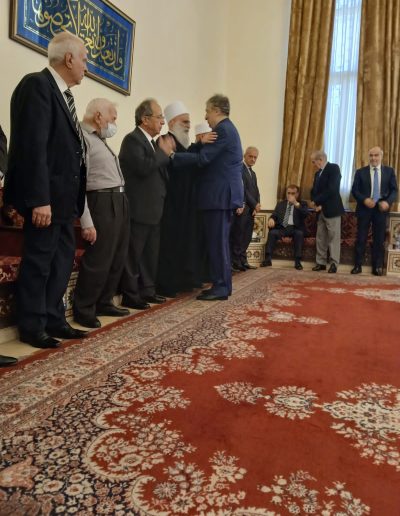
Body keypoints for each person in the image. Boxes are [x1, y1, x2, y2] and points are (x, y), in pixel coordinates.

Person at [4, 32, 88, 349]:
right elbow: (33, 146)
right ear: (68, 58)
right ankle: (32, 325)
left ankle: (54, 319)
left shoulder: (63, 94)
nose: (86, 67)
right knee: (39, 264)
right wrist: (40, 199)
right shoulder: (37, 85)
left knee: (60, 263)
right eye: (84, 59)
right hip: (46, 200)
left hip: (65, 201)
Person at [159, 94, 244, 301]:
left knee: (217, 244)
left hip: (218, 196)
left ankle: (221, 287)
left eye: (207, 112)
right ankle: (221, 284)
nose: (205, 117)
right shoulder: (227, 129)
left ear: (216, 110)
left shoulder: (223, 129)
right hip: (220, 196)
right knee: (218, 243)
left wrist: (172, 156)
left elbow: (204, 159)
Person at [72, 98, 130, 328]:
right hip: (100, 201)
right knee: (100, 257)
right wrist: (86, 220)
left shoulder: (100, 139)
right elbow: (79, 182)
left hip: (118, 200)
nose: (114, 123)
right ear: (98, 116)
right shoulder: (81, 138)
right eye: (112, 118)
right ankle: (84, 308)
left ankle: (104, 301)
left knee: (117, 255)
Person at [119, 98, 169, 309]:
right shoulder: (132, 140)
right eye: (159, 117)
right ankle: (131, 294)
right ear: (145, 119)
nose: (163, 122)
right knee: (133, 255)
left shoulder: (152, 143)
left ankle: (148, 290)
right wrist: (163, 153)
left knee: (150, 255)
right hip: (138, 209)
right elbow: (142, 167)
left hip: (154, 209)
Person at [351, 146, 398, 275]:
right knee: (361, 238)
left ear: (381, 156)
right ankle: (357, 266)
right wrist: (364, 199)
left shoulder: (389, 171)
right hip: (364, 209)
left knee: (379, 239)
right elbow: (354, 190)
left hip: (381, 210)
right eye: (371, 155)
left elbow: (394, 190)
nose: (373, 158)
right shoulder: (360, 172)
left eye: (376, 155)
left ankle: (377, 267)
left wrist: (387, 202)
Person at [310, 150, 344, 273]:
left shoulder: (333, 168)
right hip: (320, 211)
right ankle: (321, 263)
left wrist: (317, 201)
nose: (313, 164)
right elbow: (314, 190)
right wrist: (315, 203)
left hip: (332, 209)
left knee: (333, 238)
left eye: (313, 162)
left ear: (320, 160)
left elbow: (332, 189)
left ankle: (334, 264)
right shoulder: (317, 173)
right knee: (321, 237)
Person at [260, 184, 308, 270]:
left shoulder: (302, 204)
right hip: (282, 228)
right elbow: (274, 215)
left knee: (299, 234)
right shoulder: (280, 204)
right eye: (288, 193)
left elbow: (305, 214)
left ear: (297, 194)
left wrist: (296, 204)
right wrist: (271, 219)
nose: (290, 195)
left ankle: (297, 261)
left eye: (293, 193)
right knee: (272, 233)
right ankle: (268, 259)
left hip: (295, 229)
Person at [230, 146, 261, 271]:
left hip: (251, 210)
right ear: (245, 156)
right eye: (250, 156)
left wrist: (257, 205)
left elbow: (256, 191)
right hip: (242, 209)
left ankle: (243, 260)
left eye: (255, 157)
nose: (253, 159)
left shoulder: (253, 173)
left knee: (247, 237)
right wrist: (254, 204)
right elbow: (244, 190)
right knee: (239, 236)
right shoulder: (240, 169)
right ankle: (235, 262)